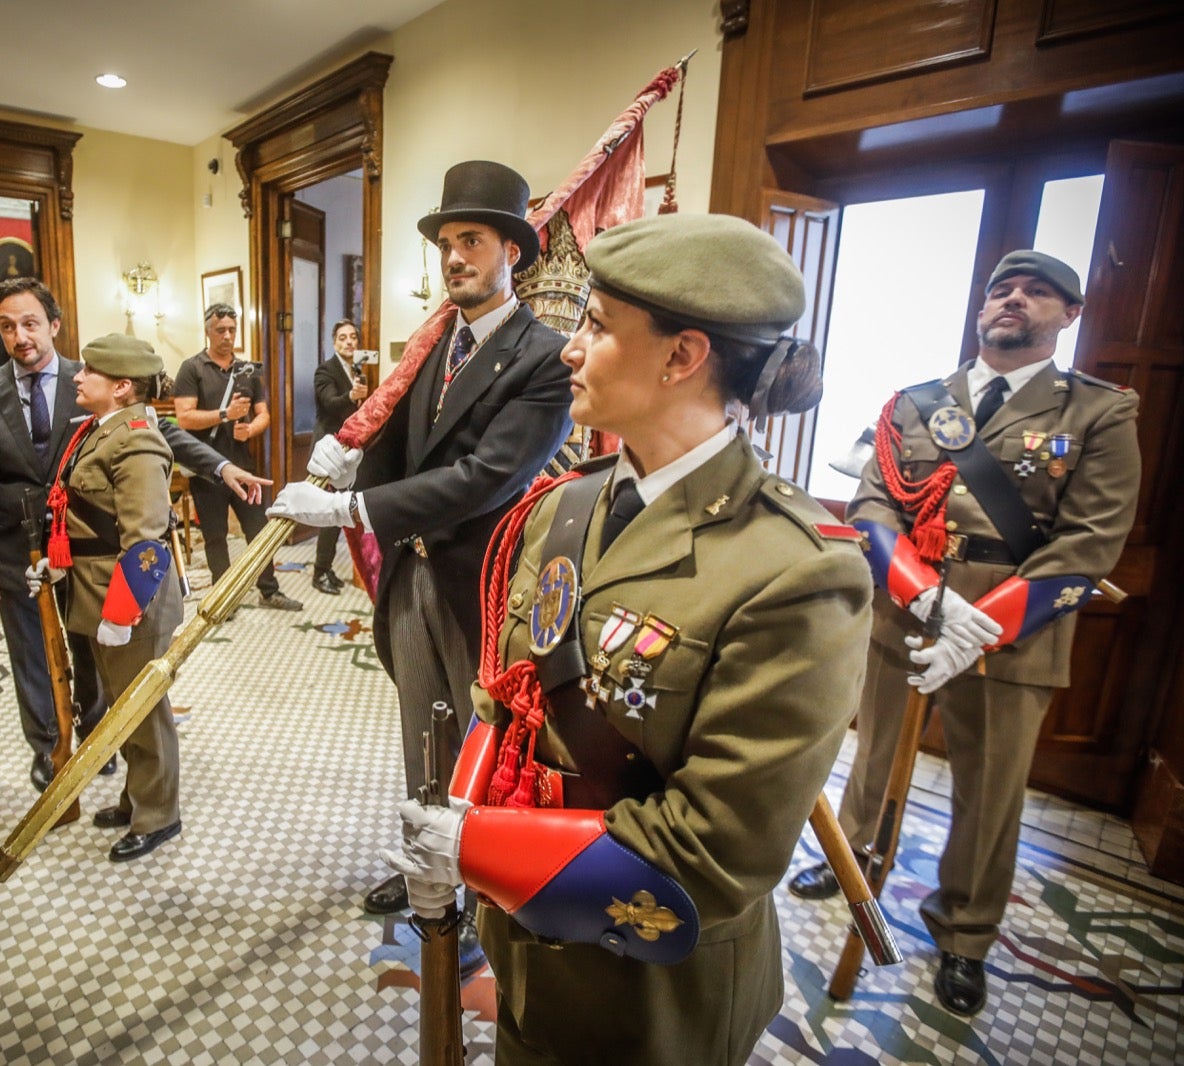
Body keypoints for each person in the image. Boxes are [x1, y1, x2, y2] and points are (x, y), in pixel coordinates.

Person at [381, 213, 873, 1064]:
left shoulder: (796, 571)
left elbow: (717, 851)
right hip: (528, 940)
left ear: (683, 358)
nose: (570, 347)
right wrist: (462, 814)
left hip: (652, 985)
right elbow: (507, 698)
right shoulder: (566, 505)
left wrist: (482, 849)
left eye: (597, 327)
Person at [787, 250, 1141, 1017]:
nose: (1013, 299)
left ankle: (964, 935)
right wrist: (925, 599)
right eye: (1001, 289)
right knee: (874, 755)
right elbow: (875, 506)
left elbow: (1091, 541)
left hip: (1016, 630)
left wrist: (981, 621)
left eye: (1038, 292)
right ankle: (853, 869)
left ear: (1069, 315)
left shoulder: (1099, 412)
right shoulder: (915, 403)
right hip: (907, 616)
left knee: (989, 793)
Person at [269, 160, 572, 931]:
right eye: (444, 243)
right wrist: (346, 455)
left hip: (484, 587)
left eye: (471, 239)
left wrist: (348, 509)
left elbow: (484, 477)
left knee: (479, 742)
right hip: (414, 574)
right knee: (421, 733)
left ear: (512, 250)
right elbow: (400, 446)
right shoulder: (430, 347)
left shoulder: (543, 358)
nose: (454, 258)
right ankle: (424, 874)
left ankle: (477, 883)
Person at [0, 277, 266, 801]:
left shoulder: (93, 379)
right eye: (7, 326)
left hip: (87, 549)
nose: (20, 336)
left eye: (30, 323)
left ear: (54, 325)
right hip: (20, 547)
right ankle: (48, 748)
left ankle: (96, 739)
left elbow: (155, 431)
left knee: (96, 651)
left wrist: (219, 467)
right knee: (31, 651)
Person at [27, 334, 184, 861]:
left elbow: (145, 544)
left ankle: (158, 814)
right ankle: (135, 794)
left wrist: (123, 610)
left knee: (141, 710)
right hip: (95, 589)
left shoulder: (136, 439)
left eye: (89, 371)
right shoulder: (102, 430)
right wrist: (57, 561)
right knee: (121, 705)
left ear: (120, 387)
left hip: (127, 599)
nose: (76, 376)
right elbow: (86, 515)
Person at [172, 304, 303, 611]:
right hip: (207, 468)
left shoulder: (247, 369)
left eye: (232, 329)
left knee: (259, 530)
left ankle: (269, 591)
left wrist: (250, 430)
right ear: (207, 330)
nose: (228, 336)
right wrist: (224, 415)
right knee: (215, 536)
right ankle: (223, 597)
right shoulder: (192, 369)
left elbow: (264, 415)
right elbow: (184, 418)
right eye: (221, 330)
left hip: (244, 466)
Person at [309, 319, 366, 594]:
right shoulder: (325, 369)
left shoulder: (357, 369)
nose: (349, 342)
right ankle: (319, 573)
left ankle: (327, 568)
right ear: (334, 342)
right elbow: (329, 403)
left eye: (353, 337)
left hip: (348, 451)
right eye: (343, 338)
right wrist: (351, 395)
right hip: (328, 450)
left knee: (340, 511)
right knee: (329, 514)